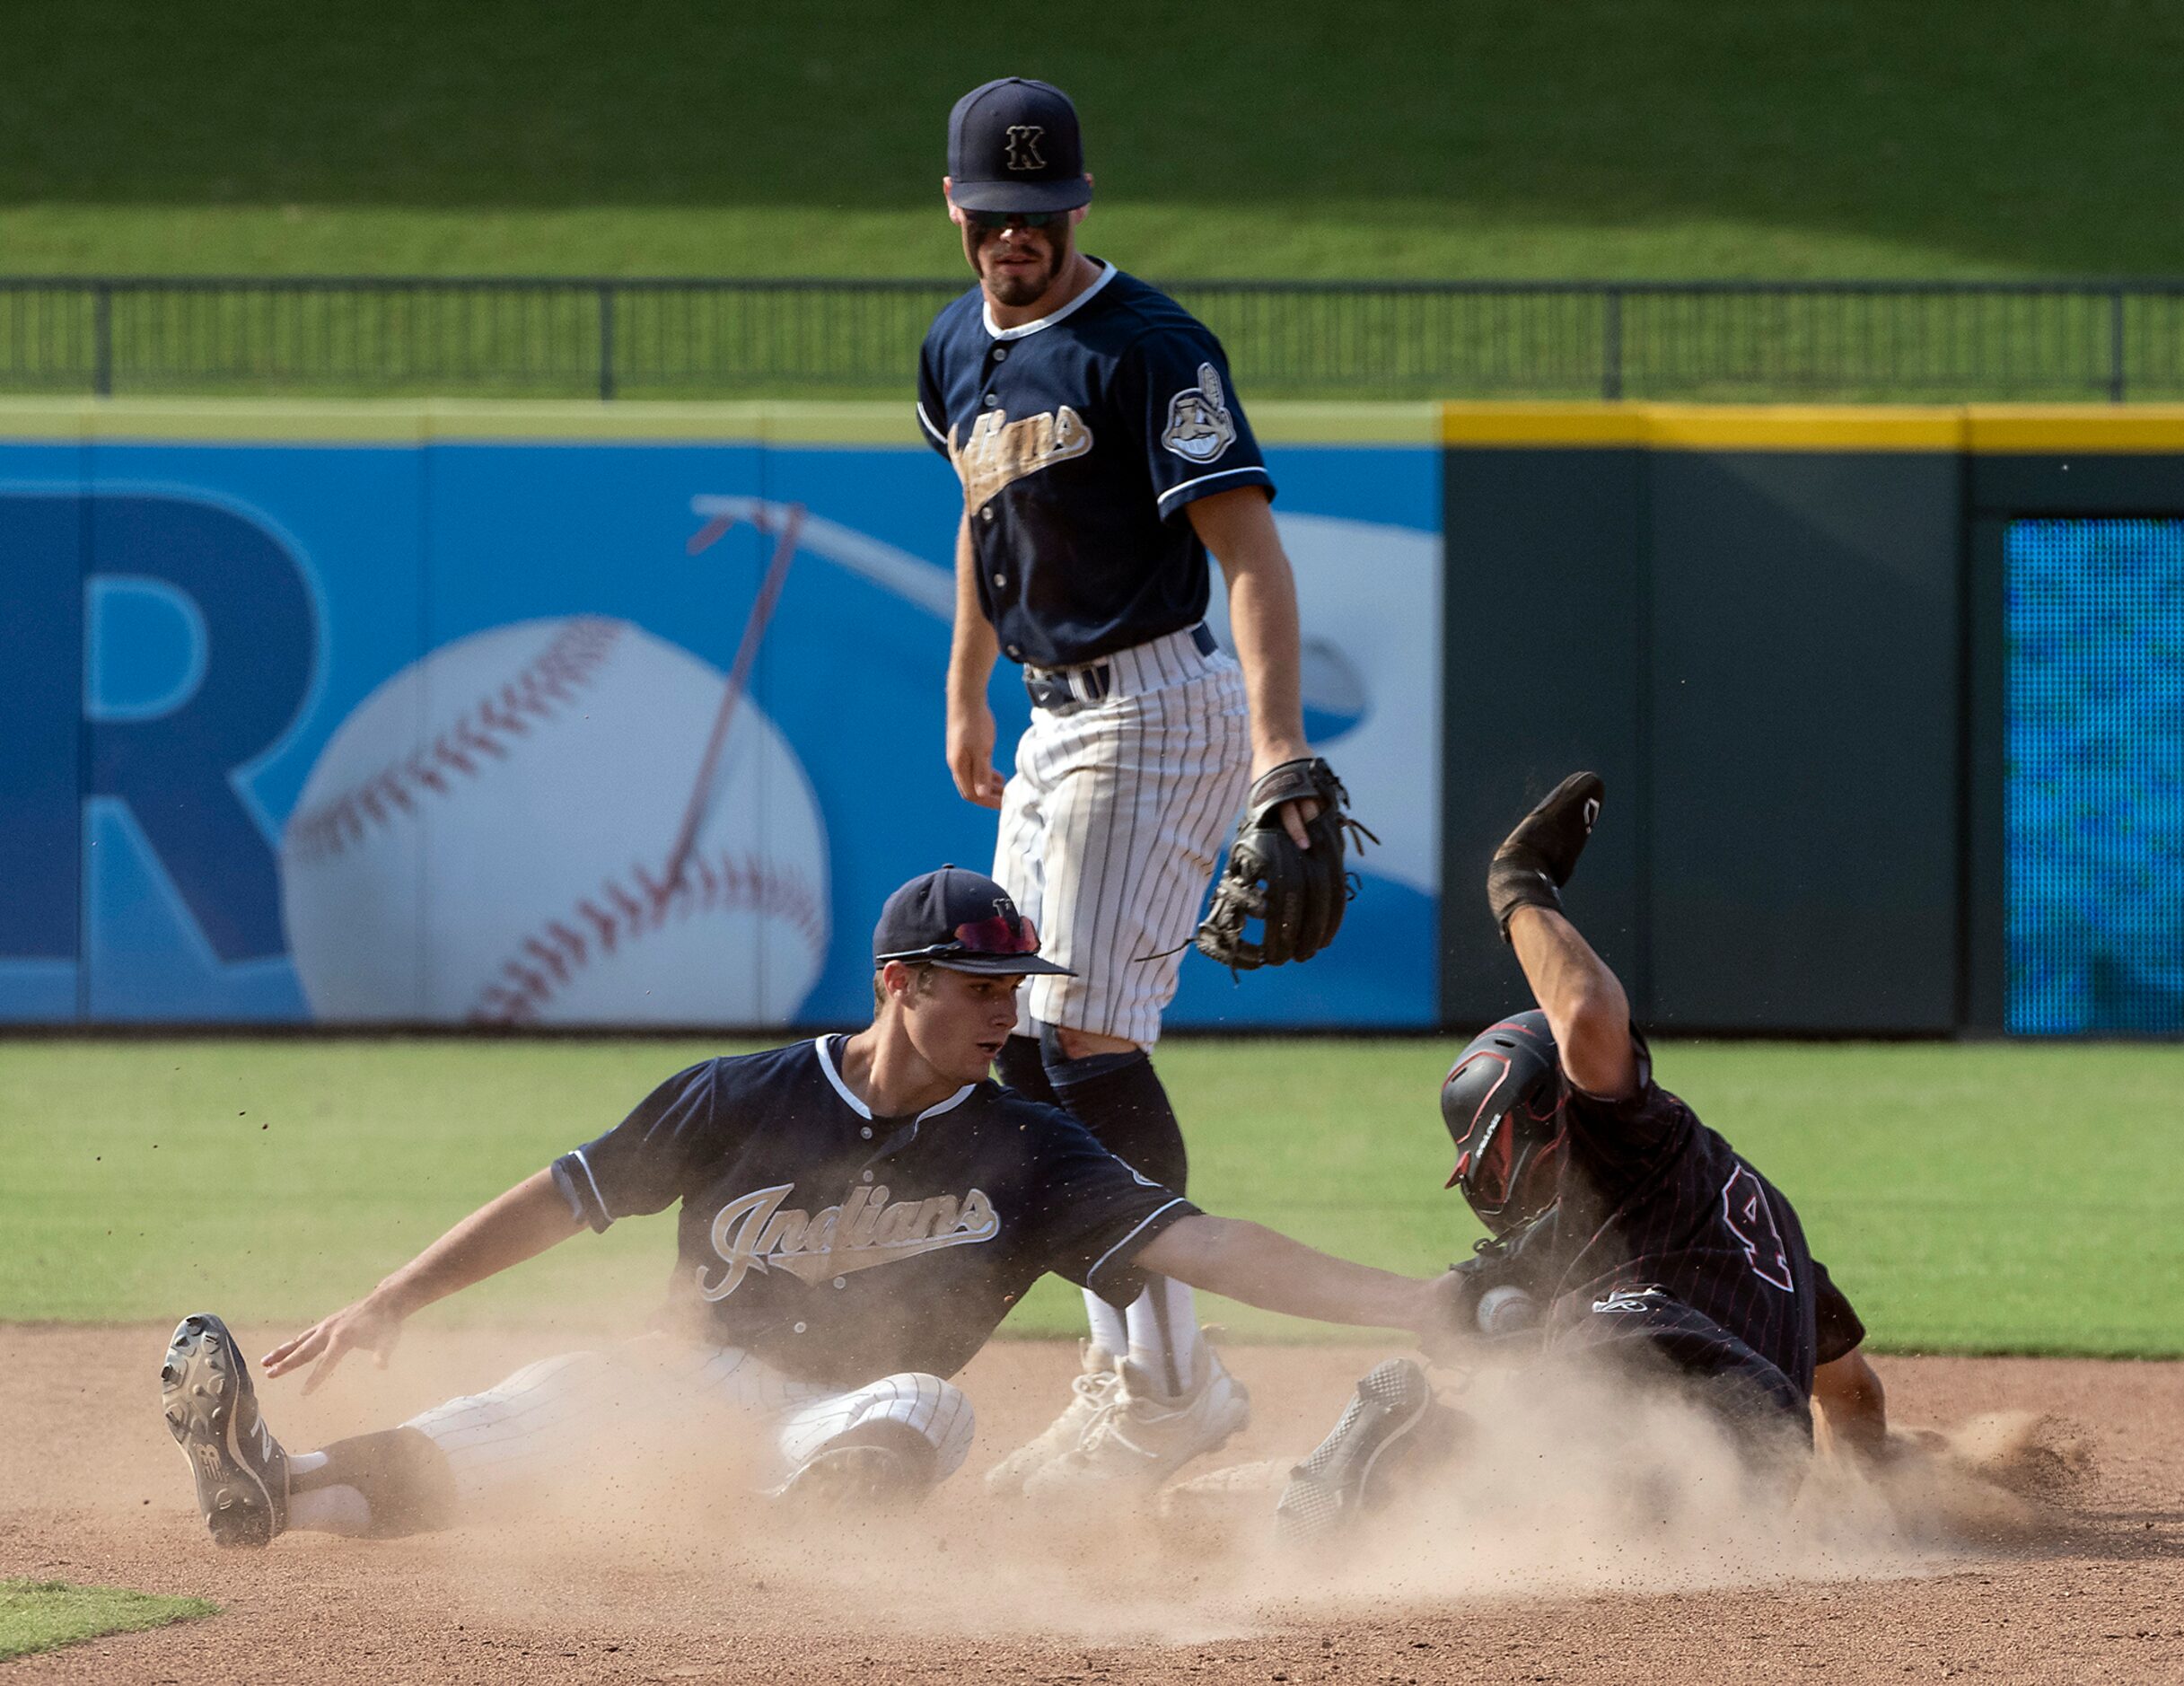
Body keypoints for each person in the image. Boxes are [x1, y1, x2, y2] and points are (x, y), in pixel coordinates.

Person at [160, 866, 1466, 1549]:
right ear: (900, 980)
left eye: (1016, 986)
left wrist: (1413, 1301)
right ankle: (281, 1484)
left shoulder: (1030, 1140)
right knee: (506, 1430)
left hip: (837, 1417)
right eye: (978, 986)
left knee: (927, 1407)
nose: (1006, 1009)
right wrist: (392, 1297)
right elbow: (566, 1197)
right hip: (678, 1385)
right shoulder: (741, 1092)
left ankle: (787, 1572)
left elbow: (1208, 1243)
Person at [916, 75, 1327, 1496]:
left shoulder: (1149, 348)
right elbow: (985, 517)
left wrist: (1280, 751)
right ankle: (1151, 1373)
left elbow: (1251, 556)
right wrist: (968, 684)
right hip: (1044, 719)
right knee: (1019, 1038)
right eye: (993, 216)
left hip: (1155, 708)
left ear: (1078, 206)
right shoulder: (950, 348)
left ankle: (1165, 1384)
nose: (1014, 239)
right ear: (956, 209)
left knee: (1073, 1037)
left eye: (1040, 215)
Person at [1274, 776, 1889, 1541]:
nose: (1499, 1187)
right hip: (1747, 1479)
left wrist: (1517, 884)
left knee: (1562, 1339)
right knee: (1542, 1379)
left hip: (1695, 1419)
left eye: (1497, 1160)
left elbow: (1589, 1016)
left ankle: (1421, 1448)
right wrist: (1875, 1513)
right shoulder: (1731, 1221)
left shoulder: (1629, 1142)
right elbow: (1854, 1396)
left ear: (1547, 1119)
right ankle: (1406, 1476)